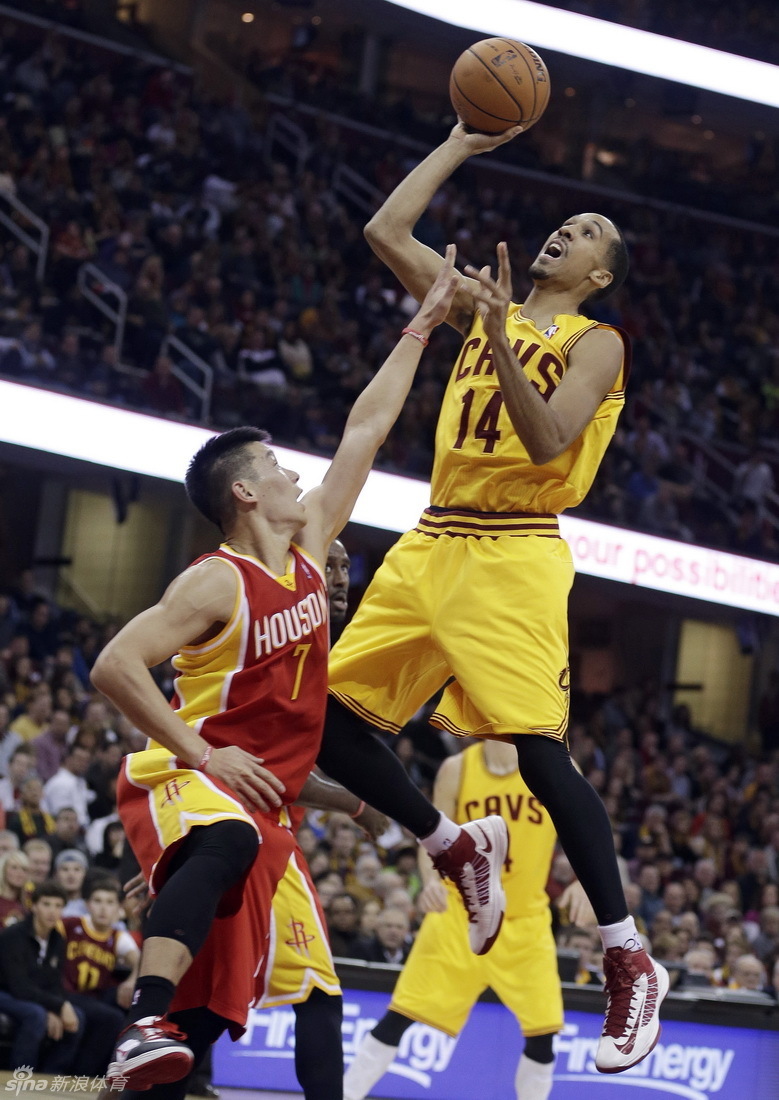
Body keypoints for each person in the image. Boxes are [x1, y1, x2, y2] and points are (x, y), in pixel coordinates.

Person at [89, 251, 495, 1092]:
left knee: (215, 1006)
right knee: (230, 841)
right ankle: (137, 1028)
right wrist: (201, 757)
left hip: (253, 800)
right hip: (186, 765)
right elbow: (114, 664)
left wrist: (423, 324)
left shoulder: (309, 553)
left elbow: (365, 428)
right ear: (244, 494)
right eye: (275, 467)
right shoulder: (212, 582)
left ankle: (155, 1049)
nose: (293, 472)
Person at [318, 120, 668, 1075]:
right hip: (433, 535)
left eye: (589, 228)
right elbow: (387, 232)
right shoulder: (488, 305)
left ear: (600, 273)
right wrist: (462, 142)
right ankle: (449, 843)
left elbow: (550, 439)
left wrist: (498, 332)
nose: (568, 227)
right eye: (568, 218)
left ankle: (628, 953)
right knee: (324, 724)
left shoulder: (598, 339)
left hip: (514, 550)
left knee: (537, 755)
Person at [344, 740, 572, 1100]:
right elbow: (430, 834)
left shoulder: (556, 766)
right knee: (401, 1014)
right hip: (459, 911)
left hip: (525, 919)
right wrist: (431, 880)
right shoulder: (457, 769)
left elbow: (582, 830)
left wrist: (587, 886)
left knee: (543, 1033)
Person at [0, 880, 85, 1071]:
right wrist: (56, 1006)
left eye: (58, 906)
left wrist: (59, 1009)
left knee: (77, 1017)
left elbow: (55, 983)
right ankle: (21, 1076)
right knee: (36, 1015)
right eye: (46, 904)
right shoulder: (13, 935)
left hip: (29, 995)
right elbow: (19, 987)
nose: (52, 911)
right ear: (34, 906)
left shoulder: (57, 939)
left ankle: (52, 1076)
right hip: (6, 992)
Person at [62, 877, 140, 1076]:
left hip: (92, 996)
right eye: (97, 901)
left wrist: (131, 981)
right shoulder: (71, 924)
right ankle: (84, 1074)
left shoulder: (117, 936)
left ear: (118, 908)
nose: (103, 908)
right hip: (64, 991)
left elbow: (139, 961)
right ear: (87, 905)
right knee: (111, 1018)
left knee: (121, 1010)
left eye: (109, 902)